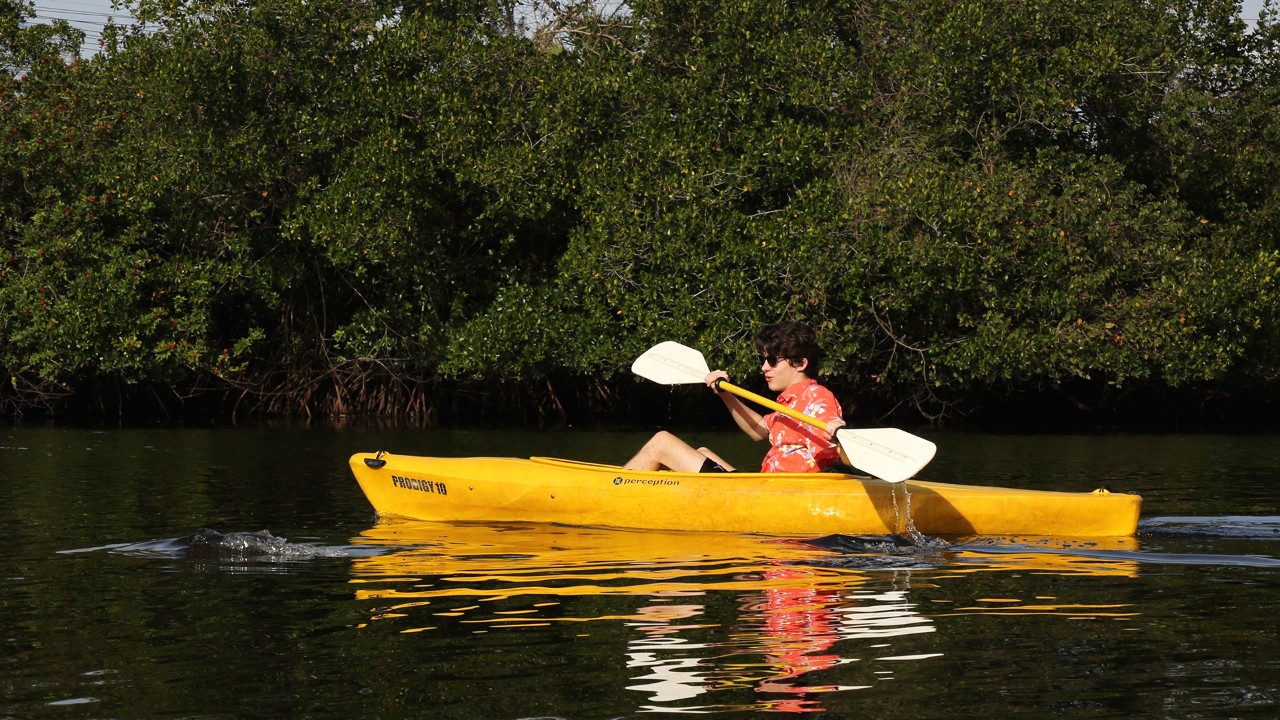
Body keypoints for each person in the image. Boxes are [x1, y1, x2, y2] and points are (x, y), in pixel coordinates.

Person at [624, 322, 846, 473]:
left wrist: (839, 437)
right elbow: (758, 429)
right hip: (762, 489)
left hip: (777, 497)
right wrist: (725, 393)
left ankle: (611, 496)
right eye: (763, 359)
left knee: (662, 443)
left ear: (800, 363)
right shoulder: (790, 402)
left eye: (772, 361)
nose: (764, 367)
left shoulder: (816, 398)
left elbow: (833, 457)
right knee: (702, 452)